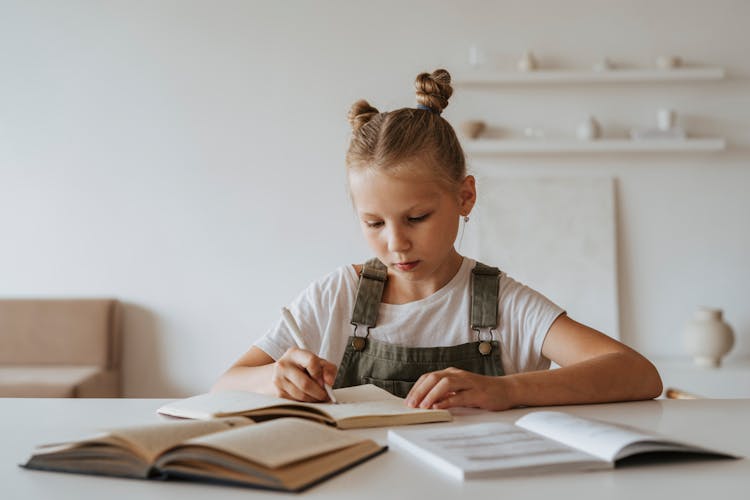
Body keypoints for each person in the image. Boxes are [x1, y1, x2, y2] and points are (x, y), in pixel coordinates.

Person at [213, 69, 663, 411]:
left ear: (465, 197)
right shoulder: (337, 296)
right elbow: (226, 383)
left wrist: (505, 389)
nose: (396, 243)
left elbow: (638, 374)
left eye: (416, 217)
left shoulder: (502, 303)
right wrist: (273, 378)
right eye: (373, 223)